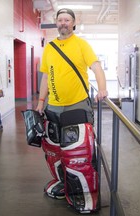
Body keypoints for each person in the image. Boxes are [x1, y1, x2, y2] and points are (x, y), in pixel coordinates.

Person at [35, 8, 108, 213]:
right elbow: (45, 77)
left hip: (77, 106)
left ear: (73, 23)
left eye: (67, 20)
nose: (64, 23)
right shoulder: (49, 48)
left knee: (78, 152)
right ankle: (64, 183)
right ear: (56, 23)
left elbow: (96, 67)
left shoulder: (81, 44)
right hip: (53, 107)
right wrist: (41, 102)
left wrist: (102, 89)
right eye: (60, 20)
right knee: (54, 150)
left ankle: (85, 194)